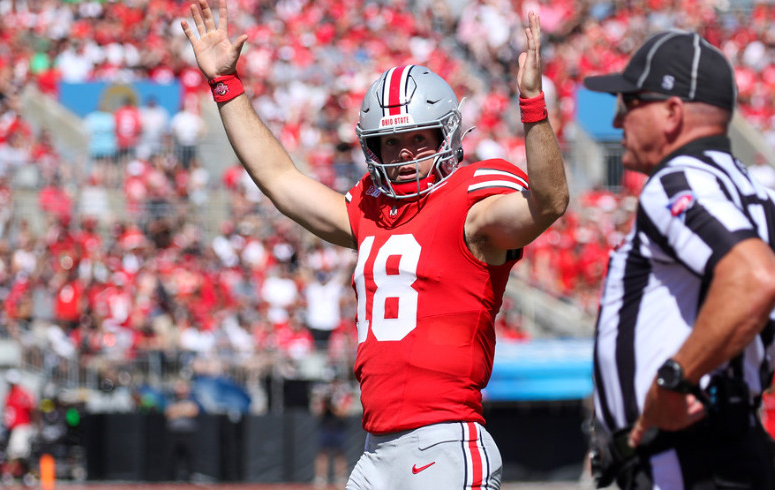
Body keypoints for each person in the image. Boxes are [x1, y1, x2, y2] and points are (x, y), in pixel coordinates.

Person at [181, 1, 568, 488]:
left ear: (447, 136)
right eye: (390, 143)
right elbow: (280, 181)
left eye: (418, 139)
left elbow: (548, 203)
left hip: (444, 441)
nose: (403, 154)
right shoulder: (369, 211)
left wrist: (532, 106)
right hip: (376, 448)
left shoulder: (471, 207)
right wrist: (226, 86)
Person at [583, 30, 775, 490]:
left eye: (631, 102)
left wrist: (673, 382)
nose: (617, 118)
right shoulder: (772, 205)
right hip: (739, 456)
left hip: (682, 462)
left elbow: (756, 277)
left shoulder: (675, 181)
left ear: (672, 113)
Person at [1, 369, 36, 481]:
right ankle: (27, 475)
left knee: (16, 452)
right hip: (12, 428)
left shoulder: (22, 394)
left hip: (21, 426)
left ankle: (9, 475)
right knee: (20, 453)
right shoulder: (8, 395)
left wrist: (35, 425)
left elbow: (32, 409)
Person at [164, 378, 200, 481]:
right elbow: (168, 413)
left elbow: (193, 411)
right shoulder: (171, 400)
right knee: (172, 457)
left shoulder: (192, 400)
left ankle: (190, 477)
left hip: (188, 434)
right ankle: (171, 478)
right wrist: (183, 410)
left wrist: (177, 411)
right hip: (174, 434)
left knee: (190, 457)